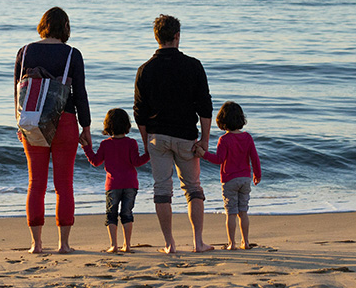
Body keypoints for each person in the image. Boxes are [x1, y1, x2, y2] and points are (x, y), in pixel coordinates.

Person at [133, 14, 214, 253]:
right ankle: (198, 242)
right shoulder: (193, 65)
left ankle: (170, 244)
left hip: (157, 136)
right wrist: (205, 139)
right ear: (177, 36)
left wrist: (146, 140)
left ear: (156, 37)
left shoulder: (145, 69)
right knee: (193, 188)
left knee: (162, 190)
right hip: (186, 137)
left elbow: (139, 112)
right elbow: (205, 106)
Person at [14, 7, 92, 254]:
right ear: (65, 27)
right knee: (64, 184)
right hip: (65, 121)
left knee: (35, 183)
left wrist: (20, 122)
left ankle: (36, 244)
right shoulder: (72, 55)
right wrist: (87, 126)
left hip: (32, 119)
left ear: (42, 24)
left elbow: (17, 91)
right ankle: (64, 244)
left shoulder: (25, 52)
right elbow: (80, 93)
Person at [194, 101, 261, 250]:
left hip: (229, 180)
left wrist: (203, 154)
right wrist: (257, 174)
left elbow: (219, 160)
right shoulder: (248, 137)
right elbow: (254, 158)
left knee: (231, 213)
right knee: (243, 211)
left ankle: (232, 243)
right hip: (245, 179)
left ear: (222, 120)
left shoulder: (224, 140)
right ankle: (246, 242)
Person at [82, 108, 150, 253]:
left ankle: (113, 245)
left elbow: (95, 162)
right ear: (127, 125)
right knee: (127, 213)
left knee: (111, 214)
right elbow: (137, 162)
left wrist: (86, 147)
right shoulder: (131, 143)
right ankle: (127, 245)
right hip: (130, 184)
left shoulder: (105, 144)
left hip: (112, 185)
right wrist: (149, 153)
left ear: (107, 125)